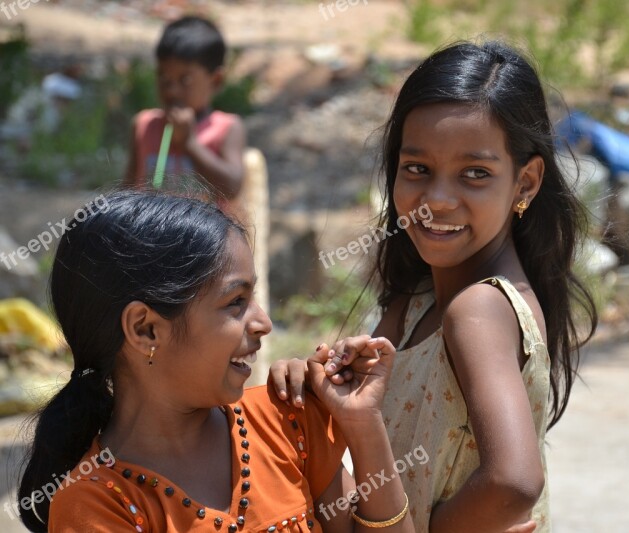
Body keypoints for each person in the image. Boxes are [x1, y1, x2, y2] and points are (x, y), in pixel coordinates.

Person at [269, 40, 598, 532]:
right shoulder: (418, 301)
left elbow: (513, 482)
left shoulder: (478, 311)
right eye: (418, 169)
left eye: (475, 174)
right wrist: (312, 393)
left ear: (525, 184)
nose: (437, 200)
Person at [16, 190, 413, 533]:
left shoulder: (286, 423)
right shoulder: (99, 505)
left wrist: (363, 425)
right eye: (235, 302)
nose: (264, 323)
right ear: (146, 329)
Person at [122, 16, 246, 213]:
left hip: (203, 242)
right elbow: (127, 189)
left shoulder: (227, 128)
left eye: (185, 80)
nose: (172, 90)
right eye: (163, 78)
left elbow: (232, 188)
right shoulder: (144, 125)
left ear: (215, 80)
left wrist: (190, 144)